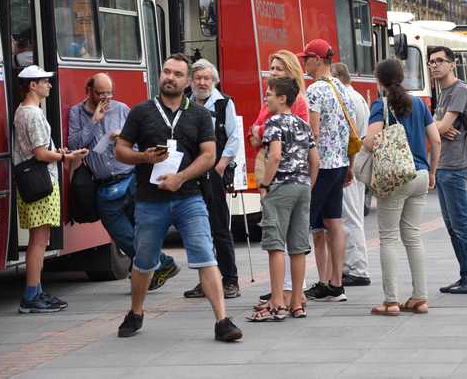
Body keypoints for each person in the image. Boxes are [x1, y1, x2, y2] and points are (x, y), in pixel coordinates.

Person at [114, 53, 242, 341]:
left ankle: (222, 320)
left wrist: (180, 177)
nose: (170, 77)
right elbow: (120, 149)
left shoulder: (199, 115)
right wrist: (141, 156)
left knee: (206, 255)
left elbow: (209, 155)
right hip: (149, 200)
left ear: (186, 82)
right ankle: (136, 312)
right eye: (166, 72)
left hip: (189, 198)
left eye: (177, 74)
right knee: (144, 260)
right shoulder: (142, 112)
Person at [68, 73, 180, 291]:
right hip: (103, 184)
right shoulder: (77, 113)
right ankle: (163, 263)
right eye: (100, 93)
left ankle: (154, 270)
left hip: (129, 178)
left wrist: (123, 139)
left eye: (109, 93)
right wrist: (94, 122)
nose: (105, 98)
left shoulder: (121, 109)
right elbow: (74, 145)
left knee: (140, 230)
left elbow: (139, 143)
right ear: (89, 91)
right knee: (122, 235)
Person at [366, 59, 441, 316]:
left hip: (396, 177)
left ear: (379, 81)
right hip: (420, 174)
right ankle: (420, 298)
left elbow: (370, 141)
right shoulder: (419, 104)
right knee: (412, 236)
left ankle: (391, 301)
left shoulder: (381, 105)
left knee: (388, 238)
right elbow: (436, 140)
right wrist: (432, 172)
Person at [13, 65, 89, 313]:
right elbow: (40, 153)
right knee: (39, 240)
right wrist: (65, 156)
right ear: (32, 86)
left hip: (34, 180)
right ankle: (31, 295)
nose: (49, 85)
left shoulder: (22, 111)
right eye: (44, 81)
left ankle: (36, 291)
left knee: (40, 238)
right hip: (42, 183)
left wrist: (60, 153)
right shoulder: (32, 114)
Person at [246, 77, 319, 321]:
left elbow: (274, 157)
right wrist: (308, 183)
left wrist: (264, 184)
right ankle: (297, 302)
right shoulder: (303, 124)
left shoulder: (274, 123)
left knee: (275, 245)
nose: (265, 98)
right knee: (298, 248)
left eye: (269, 94)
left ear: (282, 98)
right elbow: (315, 161)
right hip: (302, 187)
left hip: (281, 187)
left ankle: (277, 301)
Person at [430, 46, 467, 294]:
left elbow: (442, 127)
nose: (435, 65)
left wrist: (435, 126)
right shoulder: (443, 92)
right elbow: (440, 127)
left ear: (452, 64)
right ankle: (466, 274)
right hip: (443, 164)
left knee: (461, 223)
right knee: (451, 224)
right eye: (431, 62)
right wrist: (438, 126)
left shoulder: (459, 90)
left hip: (454, 165)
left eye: (440, 61)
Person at [298, 39, 355, 302]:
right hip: (340, 163)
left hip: (320, 166)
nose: (303, 63)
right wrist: (350, 165)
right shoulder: (343, 89)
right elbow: (350, 130)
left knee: (309, 223)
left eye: (306, 58)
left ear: (317, 60)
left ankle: (309, 283)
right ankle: (336, 284)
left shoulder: (315, 91)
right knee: (334, 222)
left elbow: (314, 131)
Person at [183, 59, 241, 299]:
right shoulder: (185, 102)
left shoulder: (224, 103)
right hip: (190, 172)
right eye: (198, 78)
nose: (202, 82)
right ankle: (206, 281)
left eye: (207, 78)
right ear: (192, 81)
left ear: (214, 81)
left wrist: (220, 166)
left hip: (214, 173)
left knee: (219, 227)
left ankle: (230, 280)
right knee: (197, 229)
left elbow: (234, 137)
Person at [330, 62, 372, 287]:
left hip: (350, 162)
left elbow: (350, 136)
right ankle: (353, 266)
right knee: (351, 214)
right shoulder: (357, 97)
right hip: (355, 161)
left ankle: (357, 268)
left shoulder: (347, 99)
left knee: (350, 215)